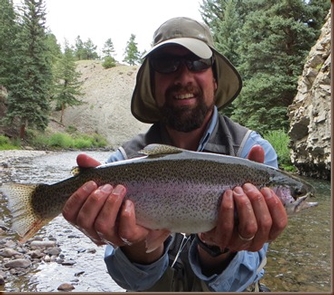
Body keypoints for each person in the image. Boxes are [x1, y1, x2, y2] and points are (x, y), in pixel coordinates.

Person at [62, 17, 288, 292]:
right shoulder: (123, 161)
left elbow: (245, 275)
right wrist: (137, 248)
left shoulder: (254, 156)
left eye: (196, 63)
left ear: (215, 79)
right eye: (167, 64)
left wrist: (218, 250)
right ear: (152, 84)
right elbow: (127, 280)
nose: (183, 77)